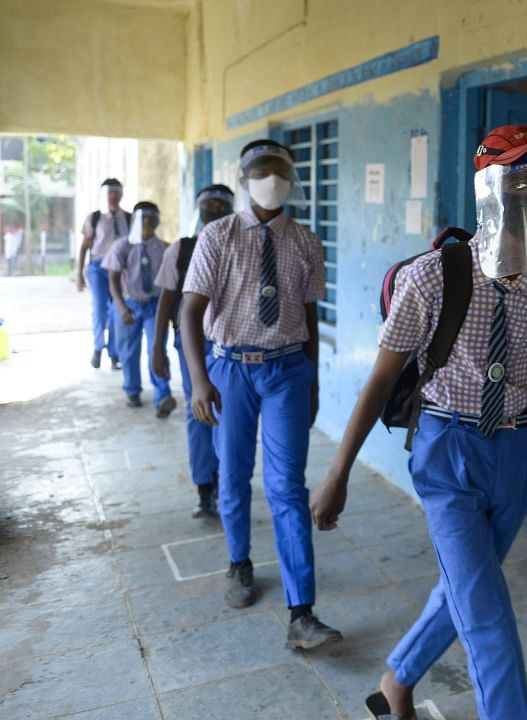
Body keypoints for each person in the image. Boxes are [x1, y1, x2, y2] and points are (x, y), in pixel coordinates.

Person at [311, 125, 527, 720]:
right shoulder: (433, 277)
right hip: (448, 451)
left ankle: (396, 682)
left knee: (471, 589)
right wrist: (339, 471)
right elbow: (380, 383)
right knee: (489, 615)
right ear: (494, 191)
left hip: (517, 454)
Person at [180, 139, 341, 649]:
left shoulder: (307, 242)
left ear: (291, 179)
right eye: (262, 171)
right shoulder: (218, 236)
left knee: (288, 487)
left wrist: (312, 378)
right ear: (246, 177)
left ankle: (302, 612)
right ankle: (239, 564)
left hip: (286, 369)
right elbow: (189, 311)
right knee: (233, 475)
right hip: (229, 369)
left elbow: (310, 314)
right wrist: (199, 379)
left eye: (280, 171)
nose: (272, 179)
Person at [152, 184, 235, 518]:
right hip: (191, 343)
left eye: (220, 203)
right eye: (207, 203)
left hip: (229, 342)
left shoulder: (241, 245)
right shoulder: (182, 249)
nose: (213, 208)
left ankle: (227, 477)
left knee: (230, 411)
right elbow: (167, 301)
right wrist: (156, 348)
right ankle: (205, 485)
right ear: (198, 208)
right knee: (198, 409)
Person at [103, 201, 176, 414]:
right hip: (129, 303)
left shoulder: (164, 248)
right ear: (134, 221)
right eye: (143, 219)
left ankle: (163, 395)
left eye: (152, 219)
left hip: (155, 304)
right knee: (129, 350)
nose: (148, 223)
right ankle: (132, 390)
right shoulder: (122, 246)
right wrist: (121, 307)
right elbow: (113, 279)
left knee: (157, 348)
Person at [78, 178, 127, 370]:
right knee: (99, 309)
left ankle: (114, 353)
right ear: (104, 195)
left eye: (116, 192)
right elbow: (84, 247)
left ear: (121, 194)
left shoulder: (129, 218)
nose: (113, 196)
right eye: (109, 192)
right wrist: (80, 273)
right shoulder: (95, 218)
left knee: (117, 310)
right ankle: (98, 347)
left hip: (120, 269)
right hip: (98, 267)